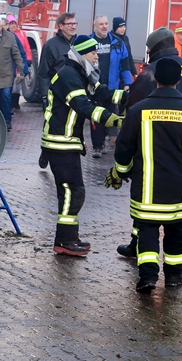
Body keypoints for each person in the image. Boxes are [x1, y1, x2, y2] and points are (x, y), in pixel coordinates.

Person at [105, 58, 182, 291]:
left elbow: (124, 147)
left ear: (156, 79)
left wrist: (121, 171)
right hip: (180, 189)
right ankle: (173, 276)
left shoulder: (138, 110)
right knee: (176, 233)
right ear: (178, 81)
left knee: (147, 232)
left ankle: (148, 277)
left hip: (146, 189)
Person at [43, 35, 123, 256]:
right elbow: (82, 105)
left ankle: (70, 237)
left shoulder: (80, 72)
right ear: (81, 54)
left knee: (73, 191)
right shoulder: (69, 75)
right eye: (93, 53)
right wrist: (111, 119)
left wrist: (128, 96)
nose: (97, 57)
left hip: (67, 142)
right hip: (60, 143)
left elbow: (101, 92)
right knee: (72, 191)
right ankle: (64, 240)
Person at [36, 12, 80, 168]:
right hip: (56, 94)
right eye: (70, 24)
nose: (73, 27)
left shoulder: (79, 43)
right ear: (61, 26)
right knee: (52, 124)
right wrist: (44, 96)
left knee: (74, 123)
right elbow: (43, 73)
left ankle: (71, 151)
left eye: (75, 23)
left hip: (74, 92)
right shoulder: (51, 45)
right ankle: (45, 151)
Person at [88, 14, 134, 157]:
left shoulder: (117, 42)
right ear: (95, 26)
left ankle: (110, 140)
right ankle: (97, 146)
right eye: (101, 24)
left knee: (110, 115)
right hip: (94, 87)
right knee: (96, 116)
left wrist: (127, 83)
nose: (104, 27)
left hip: (111, 88)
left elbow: (125, 64)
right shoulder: (88, 42)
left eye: (106, 24)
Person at [128, 27, 182, 107]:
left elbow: (133, 102)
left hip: (157, 114)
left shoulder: (151, 70)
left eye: (149, 47)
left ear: (157, 47)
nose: (147, 51)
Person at [7, 15, 31, 110]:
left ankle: (16, 103)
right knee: (12, 84)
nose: (13, 26)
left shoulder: (21, 33)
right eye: (11, 24)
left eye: (14, 24)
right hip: (12, 63)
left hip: (20, 61)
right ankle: (11, 103)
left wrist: (28, 60)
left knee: (17, 84)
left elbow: (26, 47)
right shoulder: (8, 36)